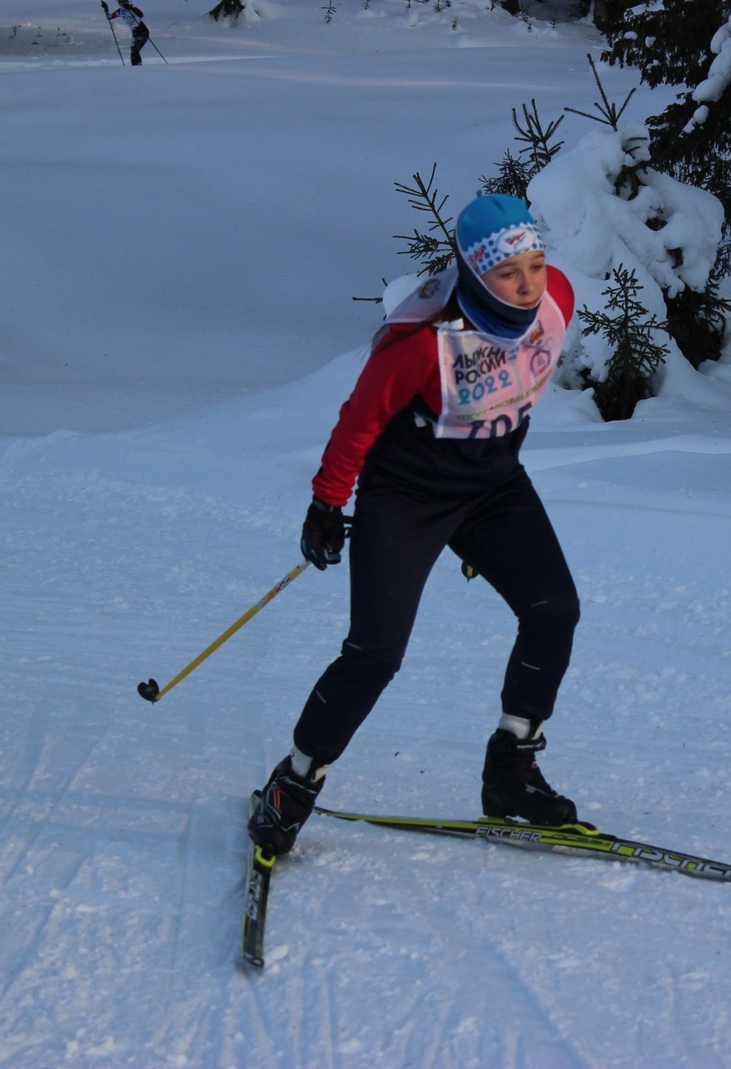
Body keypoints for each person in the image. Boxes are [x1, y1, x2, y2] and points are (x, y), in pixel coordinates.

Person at [248, 193, 582, 859]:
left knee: (554, 609)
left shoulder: (558, 300)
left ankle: (510, 770)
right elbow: (358, 423)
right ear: (471, 274)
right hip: (407, 497)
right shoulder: (421, 347)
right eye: (507, 274)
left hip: (491, 486)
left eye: (536, 265)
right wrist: (327, 503)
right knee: (375, 655)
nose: (527, 286)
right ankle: (293, 782)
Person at [104, 0, 148, 65]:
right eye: (118, 0)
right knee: (133, 51)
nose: (119, 3)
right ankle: (136, 66)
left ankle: (138, 67)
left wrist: (130, 8)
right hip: (134, 32)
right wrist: (106, 9)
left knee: (135, 50)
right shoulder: (120, 11)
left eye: (120, 0)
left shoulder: (132, 7)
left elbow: (141, 14)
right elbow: (109, 17)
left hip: (142, 30)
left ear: (125, 0)